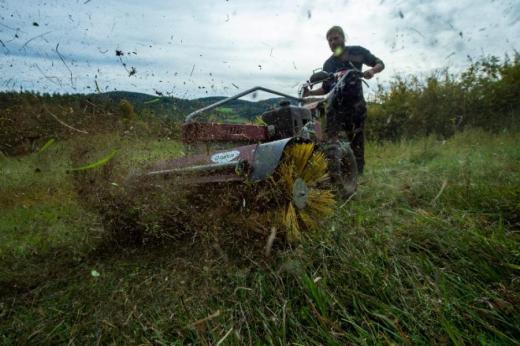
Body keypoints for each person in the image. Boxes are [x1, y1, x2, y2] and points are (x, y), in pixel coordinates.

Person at [305, 25, 384, 175]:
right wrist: (310, 93)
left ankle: (357, 175)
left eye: (336, 38)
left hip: (355, 105)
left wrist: (372, 71)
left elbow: (380, 63)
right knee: (331, 141)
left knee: (356, 142)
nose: (333, 42)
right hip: (335, 108)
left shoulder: (357, 52)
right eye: (330, 40)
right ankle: (335, 174)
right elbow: (326, 88)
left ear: (343, 38)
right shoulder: (328, 64)